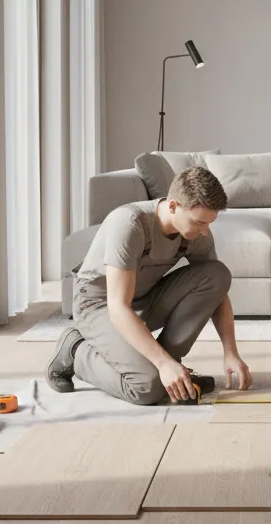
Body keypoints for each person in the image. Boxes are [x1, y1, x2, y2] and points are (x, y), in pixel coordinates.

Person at [46, 166, 252, 404]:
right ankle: (75, 351)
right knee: (146, 387)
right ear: (173, 206)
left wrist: (231, 353)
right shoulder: (129, 223)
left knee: (217, 274)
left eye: (209, 224)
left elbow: (218, 291)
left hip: (142, 297)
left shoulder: (196, 235)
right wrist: (162, 364)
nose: (205, 232)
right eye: (199, 223)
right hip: (99, 305)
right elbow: (118, 307)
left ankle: (172, 372)